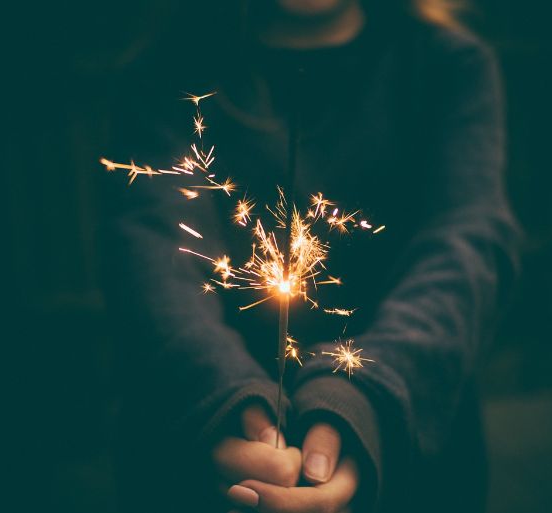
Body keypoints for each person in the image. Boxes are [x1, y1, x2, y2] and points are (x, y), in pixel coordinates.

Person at [101, 1, 520, 512]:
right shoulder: (163, 74)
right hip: (196, 459)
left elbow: (467, 245)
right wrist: (226, 401)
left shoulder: (448, 66)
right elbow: (153, 255)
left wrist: (361, 397)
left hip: (407, 456)